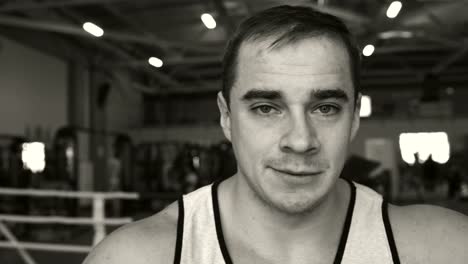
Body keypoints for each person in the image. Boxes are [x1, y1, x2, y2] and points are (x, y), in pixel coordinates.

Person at [83, 5, 468, 264]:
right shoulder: (136, 257)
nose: (301, 141)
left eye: (326, 108)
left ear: (353, 118)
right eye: (266, 108)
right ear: (226, 117)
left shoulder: (442, 249)